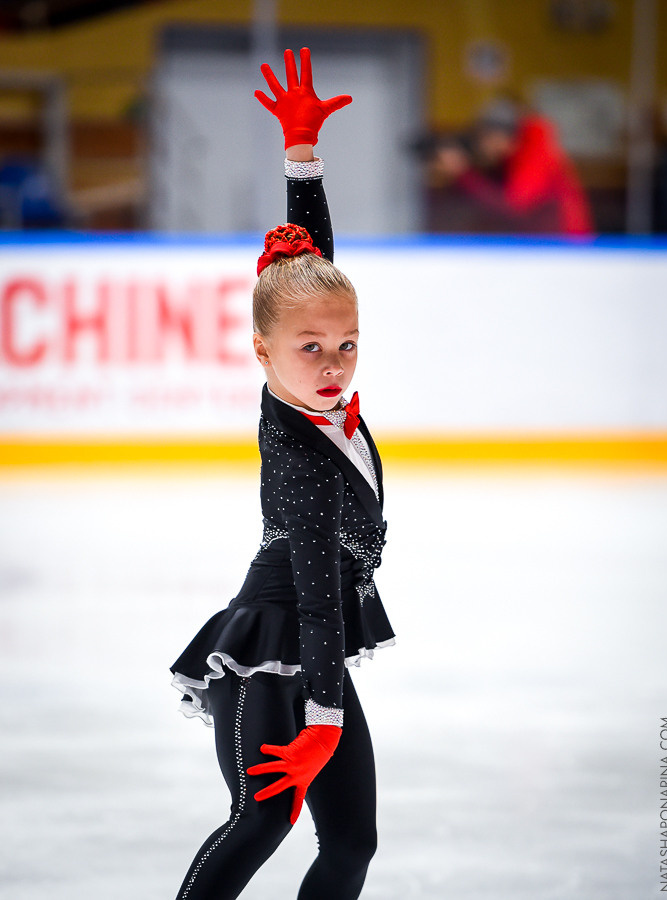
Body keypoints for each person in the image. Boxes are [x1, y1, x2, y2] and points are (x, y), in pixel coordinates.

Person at [168, 47, 396, 900]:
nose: (332, 363)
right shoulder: (295, 442)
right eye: (310, 350)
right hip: (276, 640)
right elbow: (311, 580)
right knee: (261, 820)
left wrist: (303, 160)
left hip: (319, 640)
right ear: (260, 353)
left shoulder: (317, 384)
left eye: (346, 345)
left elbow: (308, 283)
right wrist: (324, 714)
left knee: (352, 844)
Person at [434, 97, 595, 235]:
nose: (483, 146)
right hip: (543, 246)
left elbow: (513, 207)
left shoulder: (536, 152)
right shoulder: (515, 156)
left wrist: (463, 172)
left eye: (485, 138)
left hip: (564, 250)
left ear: (499, 136)